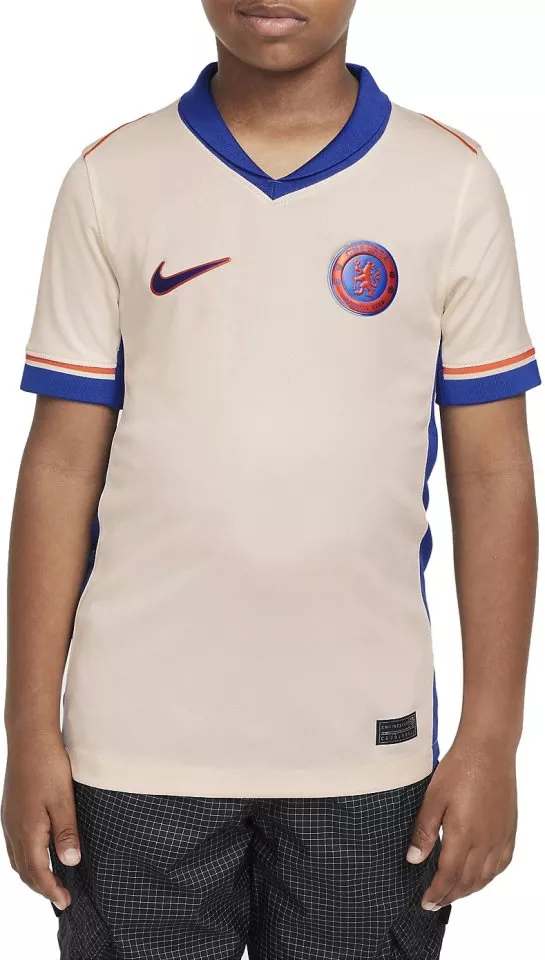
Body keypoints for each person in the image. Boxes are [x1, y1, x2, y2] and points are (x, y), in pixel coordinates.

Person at [2, 1, 540, 958]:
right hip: (133, 750)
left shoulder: (448, 181)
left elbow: (494, 474)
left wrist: (492, 739)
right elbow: (58, 467)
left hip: (367, 755)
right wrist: (27, 731)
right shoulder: (110, 181)